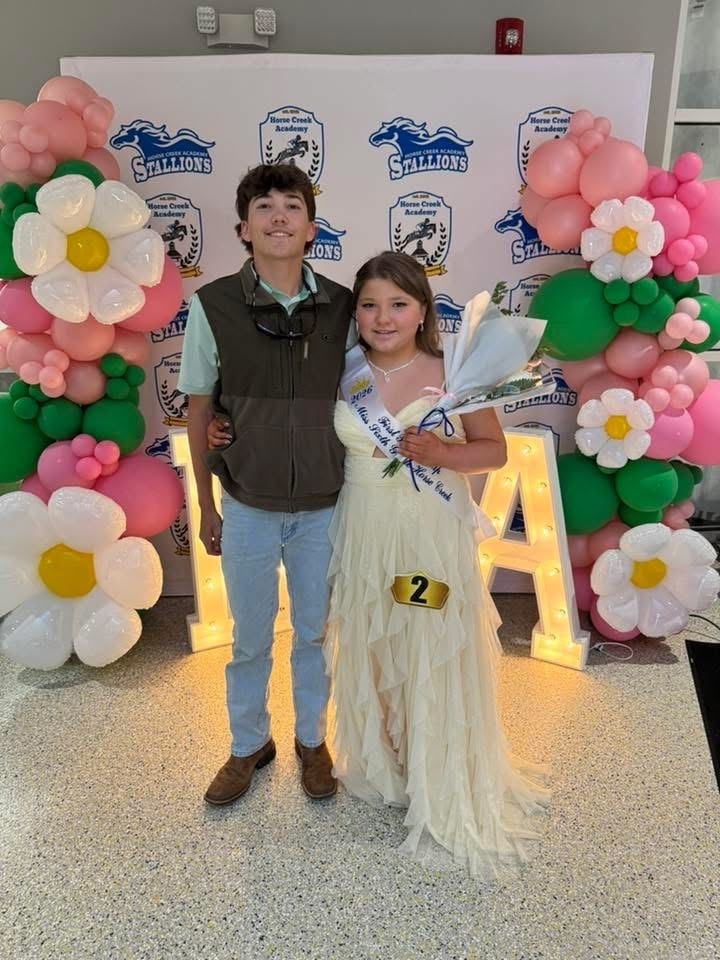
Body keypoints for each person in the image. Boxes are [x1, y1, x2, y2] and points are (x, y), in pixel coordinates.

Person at [325, 252, 549, 875]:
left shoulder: (453, 371)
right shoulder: (342, 371)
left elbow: (493, 452)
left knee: (425, 637)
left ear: (422, 309)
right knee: (373, 640)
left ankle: (437, 767)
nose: (382, 316)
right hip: (364, 533)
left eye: (397, 303)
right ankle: (387, 760)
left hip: (426, 540)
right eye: (368, 304)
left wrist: (443, 449)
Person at [179, 163, 353, 805]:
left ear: (310, 227)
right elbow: (200, 409)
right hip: (246, 503)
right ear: (243, 228)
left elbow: (369, 391)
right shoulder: (213, 305)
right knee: (249, 638)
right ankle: (247, 743)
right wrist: (207, 506)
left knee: (314, 633)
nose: (278, 216)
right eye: (264, 207)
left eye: (291, 205)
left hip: (325, 507)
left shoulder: (343, 305)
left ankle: (312, 741)